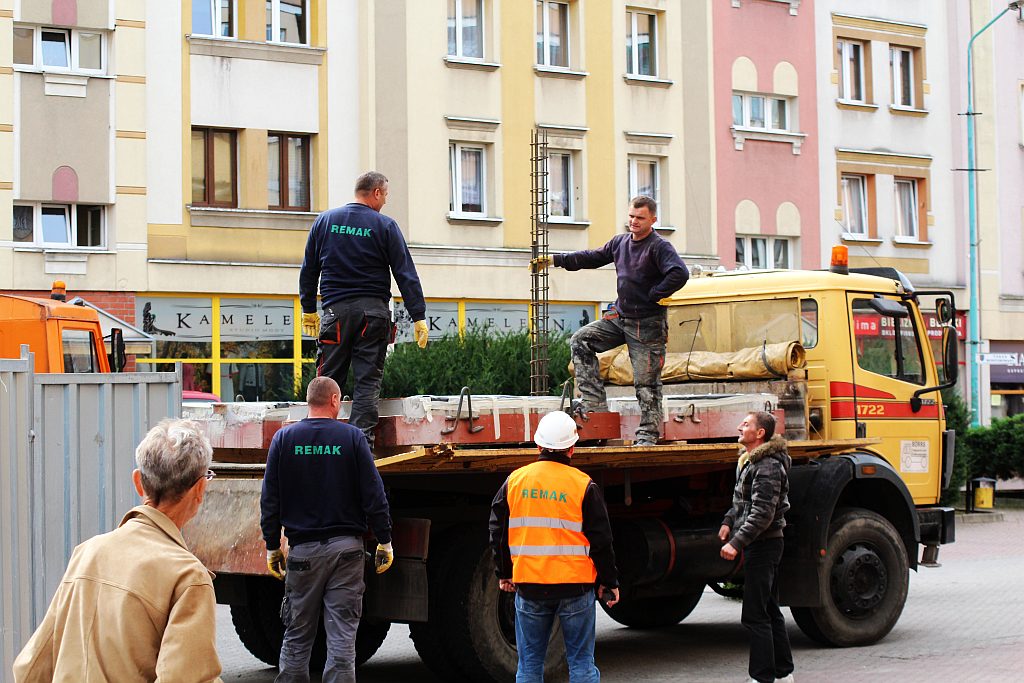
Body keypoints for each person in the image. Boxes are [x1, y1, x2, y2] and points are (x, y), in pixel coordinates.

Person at [13, 419, 222, 682]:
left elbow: (30, 668)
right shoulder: (188, 577)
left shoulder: (87, 552)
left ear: (138, 482)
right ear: (200, 488)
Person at [261, 376, 394, 683]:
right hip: (346, 552)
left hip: (303, 553)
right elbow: (374, 494)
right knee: (342, 640)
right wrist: (385, 540)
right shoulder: (352, 438)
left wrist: (272, 545)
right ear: (334, 400)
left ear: (309, 401)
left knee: (297, 637)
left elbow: (270, 499)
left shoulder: (284, 439)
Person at [533, 196, 689, 446]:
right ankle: (594, 403)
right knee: (581, 340)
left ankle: (648, 434)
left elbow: (679, 273)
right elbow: (592, 257)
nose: (634, 221)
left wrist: (655, 294)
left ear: (653, 219)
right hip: (620, 317)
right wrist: (556, 260)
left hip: (647, 324)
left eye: (640, 218)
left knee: (646, 383)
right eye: (631, 216)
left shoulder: (659, 247)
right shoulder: (620, 243)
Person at [299, 171, 430, 448]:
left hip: (335, 314)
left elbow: (309, 269)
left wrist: (308, 308)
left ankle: (319, 443)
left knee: (327, 381)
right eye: (386, 195)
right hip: (373, 316)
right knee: (367, 383)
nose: (386, 201)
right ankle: (361, 447)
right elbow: (405, 273)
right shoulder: (385, 226)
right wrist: (418, 315)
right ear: (377, 193)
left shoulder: (325, 221)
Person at [489, 411, 619, 683]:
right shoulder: (584, 485)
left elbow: (497, 530)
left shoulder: (515, 481)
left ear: (538, 445)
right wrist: (609, 581)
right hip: (576, 588)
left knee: (529, 667)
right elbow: (601, 541)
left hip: (530, 587)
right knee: (582, 665)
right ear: (572, 448)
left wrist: (505, 572)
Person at [719, 411, 795, 683]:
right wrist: (729, 521)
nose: (740, 426)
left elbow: (763, 513)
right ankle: (783, 674)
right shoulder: (750, 461)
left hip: (765, 545)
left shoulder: (768, 466)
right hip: (760, 544)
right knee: (769, 609)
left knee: (754, 614)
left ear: (760, 433)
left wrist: (737, 542)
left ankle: (762, 677)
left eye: (747, 424)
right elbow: (742, 502)